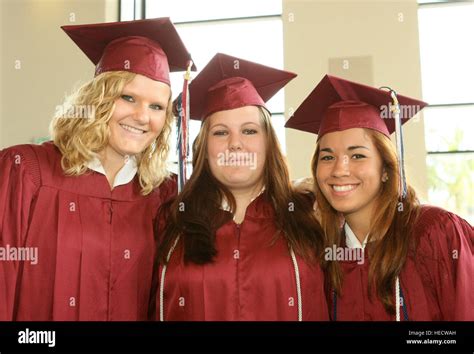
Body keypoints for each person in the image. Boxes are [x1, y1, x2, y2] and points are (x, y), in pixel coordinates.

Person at [0, 18, 194, 320]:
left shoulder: (162, 193)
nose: (143, 116)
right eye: (127, 97)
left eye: (157, 107)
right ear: (97, 99)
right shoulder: (25, 171)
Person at [153, 53, 329, 321]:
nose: (235, 144)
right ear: (203, 148)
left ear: (269, 144)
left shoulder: (311, 215)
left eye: (249, 131)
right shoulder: (171, 220)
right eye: (221, 132)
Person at [285, 74, 474, 320]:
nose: (339, 170)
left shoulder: (436, 233)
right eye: (328, 157)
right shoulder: (327, 257)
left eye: (358, 156)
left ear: (386, 169)